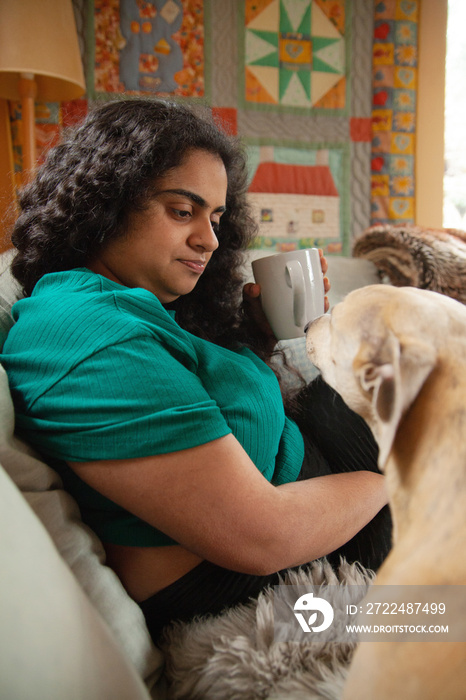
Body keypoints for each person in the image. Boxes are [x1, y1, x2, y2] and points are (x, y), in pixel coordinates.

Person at [1, 98, 391, 642]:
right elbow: (263, 537)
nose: (208, 239)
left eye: (215, 217)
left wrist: (256, 332)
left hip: (313, 467)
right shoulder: (89, 337)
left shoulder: (128, 305)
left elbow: (210, 409)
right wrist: (400, 478)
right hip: (261, 558)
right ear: (104, 202)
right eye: (182, 211)